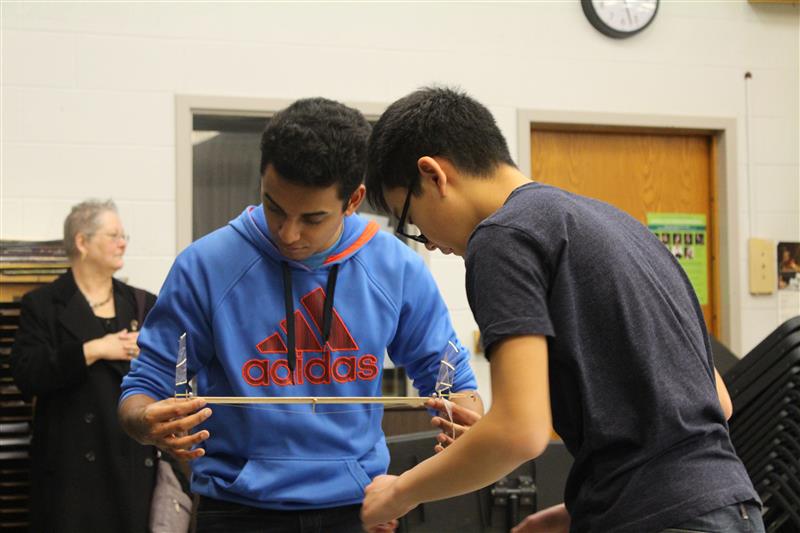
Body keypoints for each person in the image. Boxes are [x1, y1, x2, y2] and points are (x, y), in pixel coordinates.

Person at [360, 87, 763, 533]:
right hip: (732, 507)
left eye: (411, 222)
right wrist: (579, 509)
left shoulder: (501, 239)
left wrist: (397, 493)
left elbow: (521, 432)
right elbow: (714, 402)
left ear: (433, 175)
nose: (429, 242)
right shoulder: (620, 226)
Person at [117, 97, 482, 533]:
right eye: (274, 207)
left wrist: (465, 424)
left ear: (354, 200)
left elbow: (453, 383)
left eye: (312, 218)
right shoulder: (205, 266)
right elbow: (143, 390)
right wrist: (145, 423)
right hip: (237, 509)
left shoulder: (394, 267)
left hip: (359, 509)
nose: (288, 234)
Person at [10, 199, 158, 533]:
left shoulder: (142, 302)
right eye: (113, 234)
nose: (123, 242)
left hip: (130, 466)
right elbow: (27, 373)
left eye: (124, 235)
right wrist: (92, 349)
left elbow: (169, 374)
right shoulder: (43, 304)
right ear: (82, 242)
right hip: (70, 476)